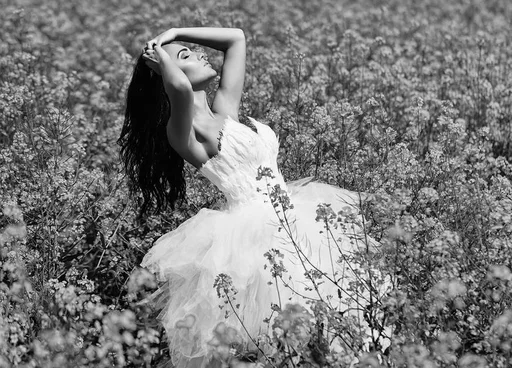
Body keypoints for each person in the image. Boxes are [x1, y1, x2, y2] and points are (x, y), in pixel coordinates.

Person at [118, 27, 365, 368]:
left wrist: (175, 33)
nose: (201, 55)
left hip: (297, 217)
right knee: (283, 337)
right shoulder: (184, 132)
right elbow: (178, 88)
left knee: (336, 322)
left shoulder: (226, 112)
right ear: (164, 73)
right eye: (186, 56)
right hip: (254, 236)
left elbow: (236, 39)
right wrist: (159, 55)